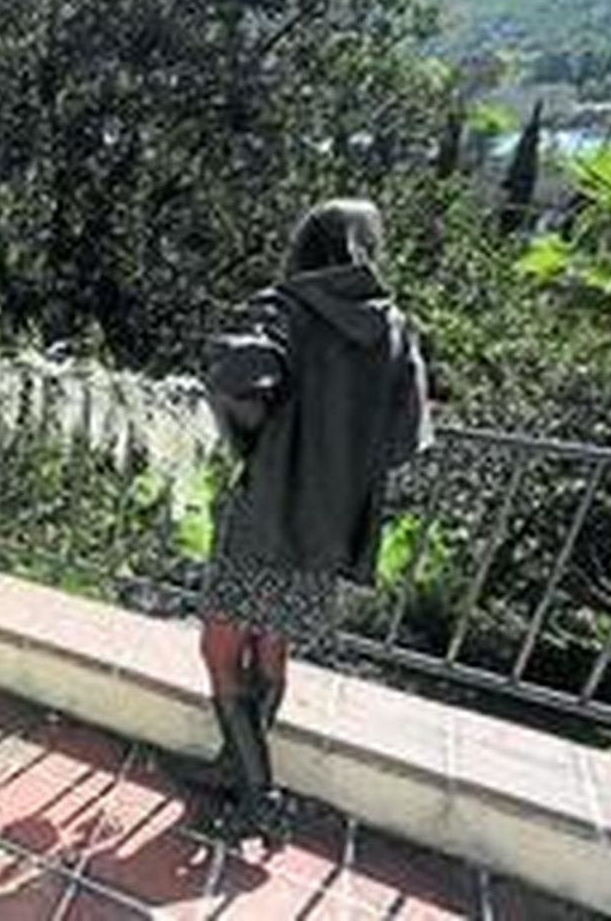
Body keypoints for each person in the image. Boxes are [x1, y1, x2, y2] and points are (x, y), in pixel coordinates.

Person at [196, 198, 433, 845]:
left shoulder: (284, 308)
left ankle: (261, 797)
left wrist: (253, 440)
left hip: (266, 508)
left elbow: (234, 376)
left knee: (219, 650)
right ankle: (235, 767)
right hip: (330, 522)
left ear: (307, 245)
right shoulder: (395, 328)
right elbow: (407, 437)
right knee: (271, 644)